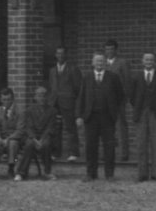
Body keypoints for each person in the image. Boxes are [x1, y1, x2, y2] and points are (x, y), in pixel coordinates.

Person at [75, 50, 123, 180]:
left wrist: (114, 111)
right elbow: (81, 97)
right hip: (91, 117)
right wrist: (79, 115)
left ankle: (109, 174)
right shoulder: (87, 77)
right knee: (90, 146)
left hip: (107, 117)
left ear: (105, 63)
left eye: (102, 61)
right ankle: (91, 173)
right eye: (97, 61)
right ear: (93, 63)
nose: (99, 63)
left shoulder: (113, 77)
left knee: (109, 146)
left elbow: (120, 96)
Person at [128, 51, 156, 182]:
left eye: (151, 60)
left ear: (154, 62)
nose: (149, 62)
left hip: (155, 113)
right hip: (141, 113)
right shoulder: (136, 77)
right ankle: (142, 174)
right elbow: (132, 96)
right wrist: (140, 107)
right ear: (142, 61)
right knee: (141, 144)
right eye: (146, 60)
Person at [11, 86, 57, 180]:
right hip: (33, 137)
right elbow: (28, 127)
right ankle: (21, 172)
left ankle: (47, 172)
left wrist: (42, 139)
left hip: (45, 136)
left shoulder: (52, 111)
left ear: (47, 97)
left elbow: (50, 128)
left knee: (46, 144)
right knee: (29, 144)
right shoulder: (29, 110)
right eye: (39, 96)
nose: (42, 98)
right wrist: (35, 140)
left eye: (44, 96)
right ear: (35, 97)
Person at [46, 46, 82, 164]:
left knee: (70, 127)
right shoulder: (52, 70)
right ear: (55, 55)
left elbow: (78, 88)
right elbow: (51, 87)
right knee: (56, 127)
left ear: (66, 55)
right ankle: (56, 152)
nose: (60, 56)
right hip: (55, 102)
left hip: (68, 102)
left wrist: (72, 98)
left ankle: (73, 153)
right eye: (58, 54)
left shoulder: (73, 69)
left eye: (62, 54)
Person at [103, 41, 131, 166]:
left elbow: (127, 81)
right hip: (104, 101)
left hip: (118, 100)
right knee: (106, 127)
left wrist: (124, 98)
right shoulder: (102, 63)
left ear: (116, 50)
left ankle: (123, 153)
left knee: (120, 126)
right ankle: (108, 153)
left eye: (112, 49)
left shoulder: (122, 63)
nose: (109, 51)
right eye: (107, 49)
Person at [0, 87, 23, 179]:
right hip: (1, 137)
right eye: (4, 99)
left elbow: (20, 130)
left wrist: (8, 139)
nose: (6, 102)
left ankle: (11, 168)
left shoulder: (20, 111)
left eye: (8, 99)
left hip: (14, 138)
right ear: (1, 100)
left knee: (13, 143)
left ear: (12, 99)